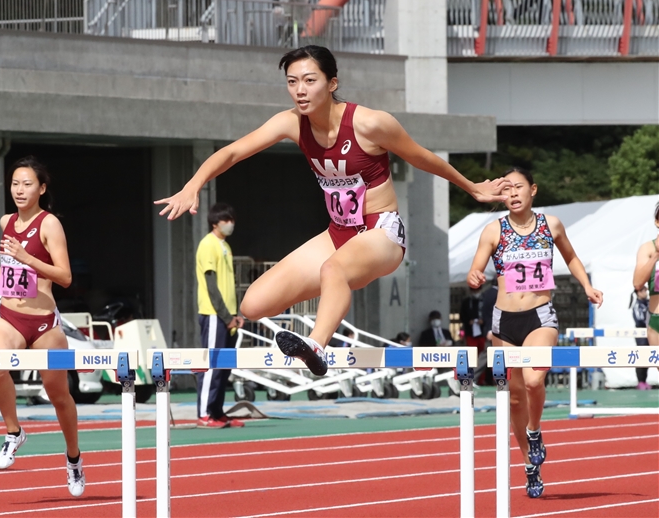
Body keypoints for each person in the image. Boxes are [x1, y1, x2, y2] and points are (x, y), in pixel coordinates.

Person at [155, 45, 508, 377]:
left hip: (380, 233)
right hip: (338, 233)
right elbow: (233, 152)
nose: (300, 91)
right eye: (292, 82)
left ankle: (316, 347)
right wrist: (193, 184)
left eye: (310, 80)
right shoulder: (292, 123)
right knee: (253, 304)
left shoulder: (370, 123)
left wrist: (473, 187)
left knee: (333, 269)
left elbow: (421, 156)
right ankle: (331, 291)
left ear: (332, 83)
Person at [467, 167, 603, 499]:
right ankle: (530, 467)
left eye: (519, 187)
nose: (513, 194)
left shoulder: (550, 225)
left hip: (539, 317)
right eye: (507, 189)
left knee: (533, 380)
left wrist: (587, 286)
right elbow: (476, 267)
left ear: (533, 191)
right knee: (514, 397)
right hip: (503, 322)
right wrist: (474, 276)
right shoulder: (492, 230)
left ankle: (535, 430)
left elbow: (570, 256)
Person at [0, 156, 85, 497]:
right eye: (14, 183)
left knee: (59, 395)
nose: (19, 190)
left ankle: (73, 458)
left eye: (27, 184)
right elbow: (8, 262)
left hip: (43, 322)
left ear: (41, 188)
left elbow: (65, 277)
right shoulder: (6, 220)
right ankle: (13, 432)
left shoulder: (49, 224)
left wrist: (29, 259)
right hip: (9, 314)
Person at [195, 203, 245, 428]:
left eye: (232, 219)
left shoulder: (226, 246)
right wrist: (226, 316)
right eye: (227, 219)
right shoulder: (208, 245)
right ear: (215, 222)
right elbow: (211, 284)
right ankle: (204, 413)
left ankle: (217, 411)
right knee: (213, 365)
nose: (231, 223)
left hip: (228, 316)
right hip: (214, 314)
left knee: (225, 367)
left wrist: (236, 314)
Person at [632, 202, 659, 387]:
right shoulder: (647, 249)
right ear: (657, 222)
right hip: (656, 319)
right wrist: (655, 256)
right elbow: (637, 282)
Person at [630, 285, 650, 390]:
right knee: (641, 356)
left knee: (649, 356)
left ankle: (645, 380)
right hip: (641, 333)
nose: (646, 292)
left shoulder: (649, 302)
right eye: (643, 290)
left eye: (646, 290)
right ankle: (641, 381)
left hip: (650, 332)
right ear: (638, 292)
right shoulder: (637, 305)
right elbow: (640, 319)